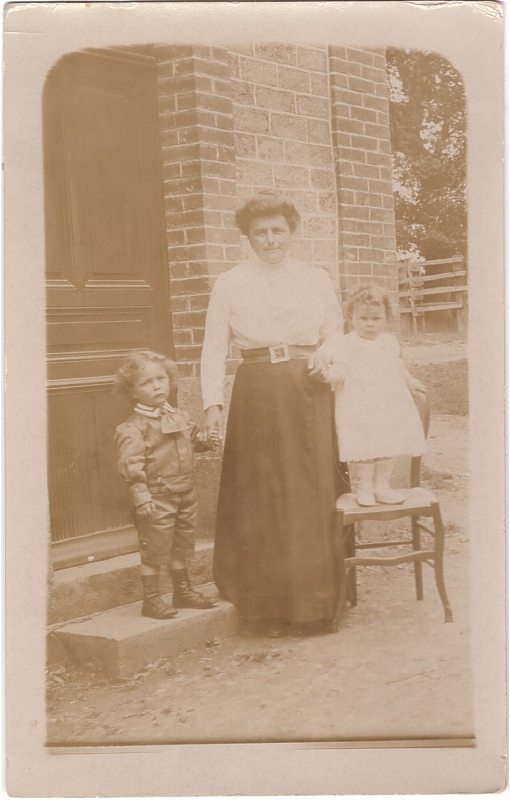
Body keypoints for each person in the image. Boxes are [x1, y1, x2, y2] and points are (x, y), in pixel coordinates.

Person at [200, 190, 347, 638]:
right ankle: (265, 609)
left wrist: (326, 358)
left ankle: (316, 605)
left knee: (309, 492)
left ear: (291, 232)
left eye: (277, 231)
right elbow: (212, 348)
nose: (270, 240)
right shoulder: (231, 282)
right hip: (258, 391)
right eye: (260, 232)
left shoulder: (314, 278)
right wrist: (212, 404)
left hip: (308, 389)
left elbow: (336, 333)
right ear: (247, 236)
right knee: (262, 494)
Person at [114, 351, 217, 619]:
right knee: (154, 549)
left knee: (180, 545)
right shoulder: (133, 428)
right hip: (156, 497)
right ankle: (151, 600)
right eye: (146, 383)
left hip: (185, 493)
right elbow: (130, 465)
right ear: (133, 391)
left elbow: (194, 440)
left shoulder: (178, 415)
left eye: (161, 379)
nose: (157, 386)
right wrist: (142, 496)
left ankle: (182, 592)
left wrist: (207, 439)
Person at [326, 283, 426, 507]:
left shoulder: (389, 343)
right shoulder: (347, 344)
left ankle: (382, 487)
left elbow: (399, 367)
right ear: (351, 317)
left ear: (386, 318)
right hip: (358, 406)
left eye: (376, 319)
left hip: (385, 405)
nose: (370, 324)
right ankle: (364, 488)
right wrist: (327, 375)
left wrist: (411, 381)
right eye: (363, 318)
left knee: (385, 444)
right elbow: (340, 370)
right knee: (366, 447)